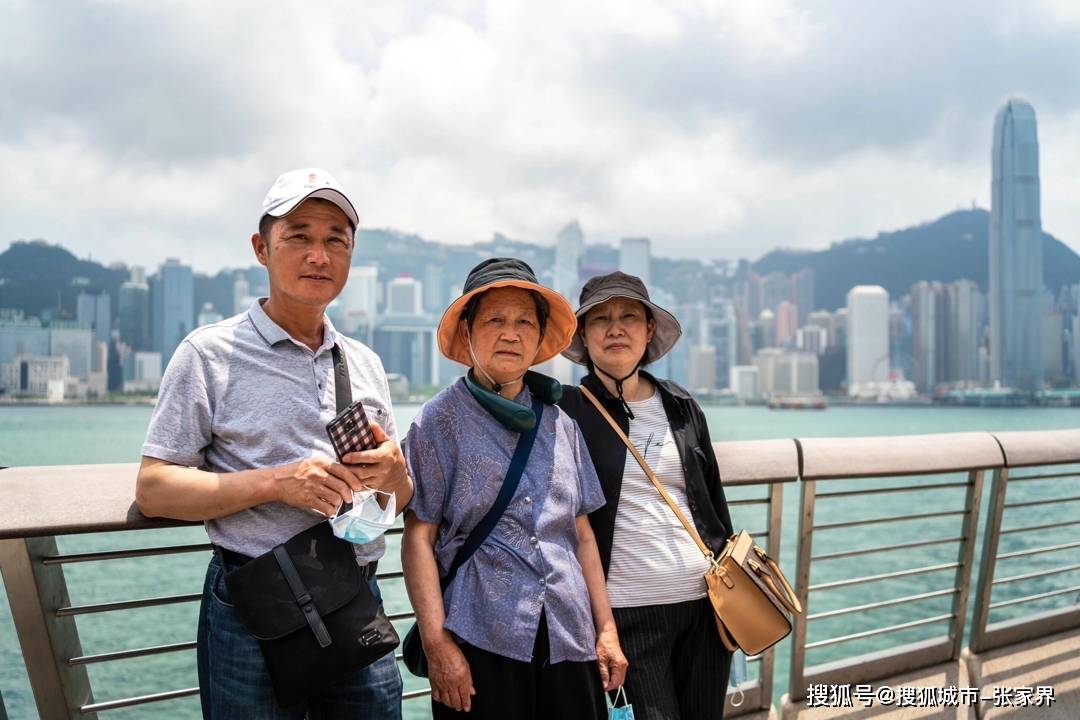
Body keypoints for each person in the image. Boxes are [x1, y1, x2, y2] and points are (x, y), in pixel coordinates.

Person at [135, 168, 411, 718]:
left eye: (337, 240)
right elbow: (154, 489)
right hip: (252, 600)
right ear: (262, 248)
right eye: (300, 236)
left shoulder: (365, 363)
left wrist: (395, 473)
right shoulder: (207, 353)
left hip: (356, 596)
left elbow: (397, 498)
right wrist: (278, 484)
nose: (320, 255)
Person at [401, 258, 628, 719]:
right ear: (467, 331)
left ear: (540, 336)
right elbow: (418, 538)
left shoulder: (561, 422)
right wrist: (437, 644)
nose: (511, 333)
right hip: (481, 638)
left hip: (570, 636)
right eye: (495, 320)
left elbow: (581, 535)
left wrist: (605, 630)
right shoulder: (437, 422)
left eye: (525, 321)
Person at [557, 271, 734, 720]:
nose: (615, 329)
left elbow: (713, 503)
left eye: (629, 317)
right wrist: (599, 626)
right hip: (625, 617)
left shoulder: (681, 405)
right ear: (583, 334)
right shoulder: (565, 411)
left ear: (648, 330)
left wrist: (731, 598)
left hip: (704, 612)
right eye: (601, 319)